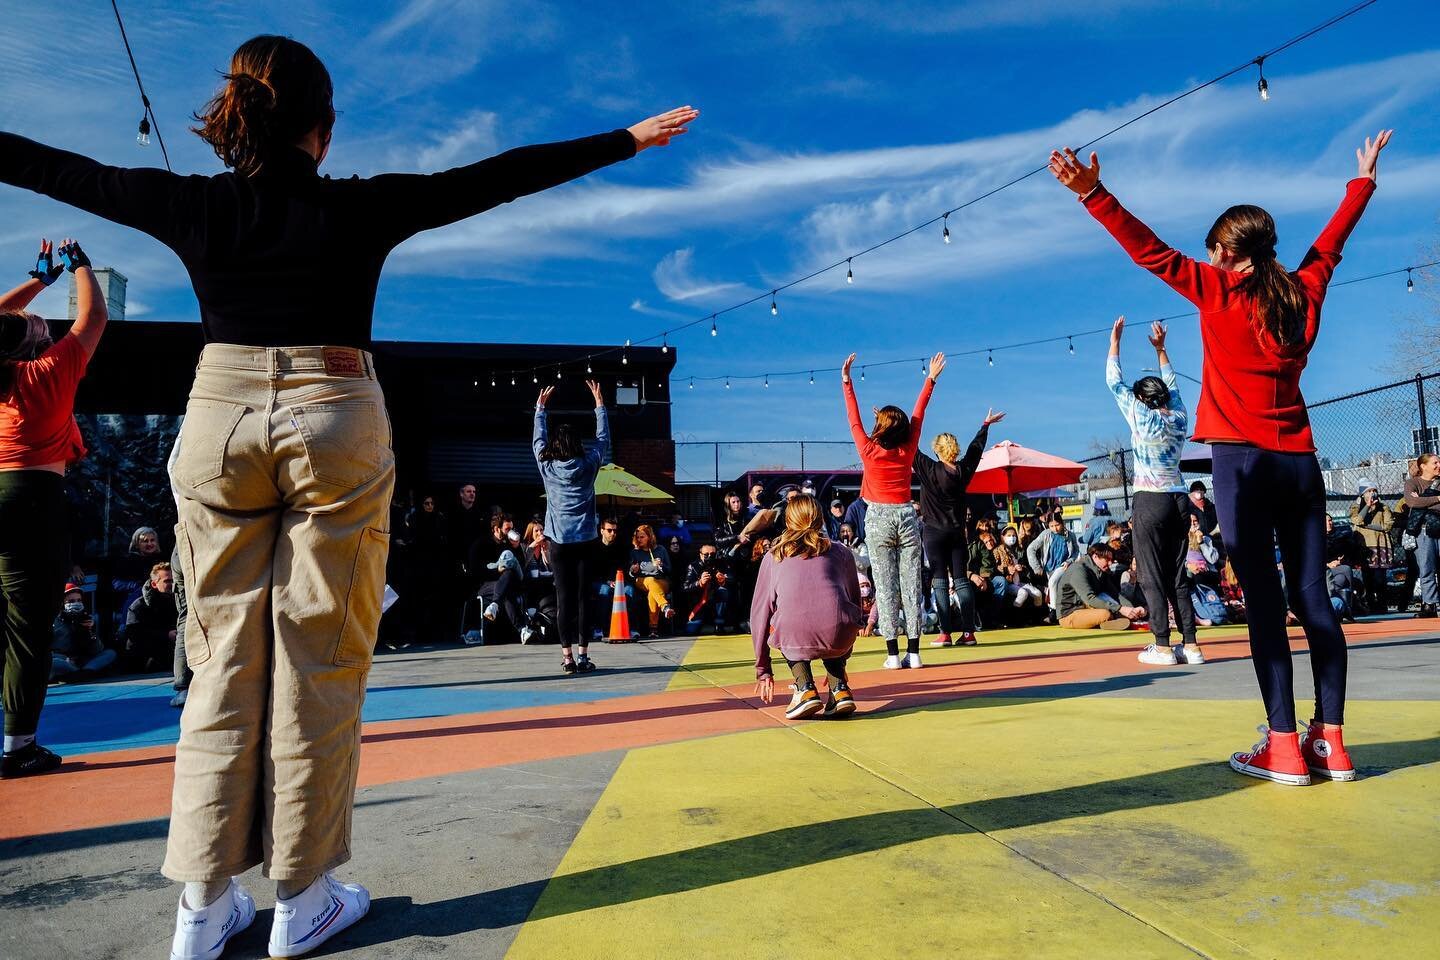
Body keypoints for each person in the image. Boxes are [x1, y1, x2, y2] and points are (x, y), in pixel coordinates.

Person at [0, 32, 699, 954]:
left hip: (218, 418)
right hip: (335, 412)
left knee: (217, 661)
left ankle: (202, 910)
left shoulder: (193, 205)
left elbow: (60, 169)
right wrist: (625, 140)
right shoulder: (359, 211)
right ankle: (303, 898)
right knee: (318, 658)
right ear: (322, 133)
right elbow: (494, 177)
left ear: (235, 121)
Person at [1050, 128, 1392, 786]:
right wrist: (1364, 182)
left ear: (1227, 254)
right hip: (1301, 464)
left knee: (1265, 604)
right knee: (1314, 600)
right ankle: (1334, 742)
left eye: (1212, 251)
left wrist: (1093, 193)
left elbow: (1150, 253)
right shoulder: (1305, 289)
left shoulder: (1219, 290)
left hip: (1241, 463)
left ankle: (1285, 745)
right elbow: (1332, 241)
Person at [0, 238, 106, 778]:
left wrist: (39, 279)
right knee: (27, 629)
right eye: (40, 324)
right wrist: (79, 267)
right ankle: (19, 747)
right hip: (30, 498)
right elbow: (93, 316)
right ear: (33, 343)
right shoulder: (47, 374)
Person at [1105, 315, 1203, 667]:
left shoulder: (1140, 415)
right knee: (1178, 576)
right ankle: (1191, 645)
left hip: (1150, 499)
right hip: (1179, 498)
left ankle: (1162, 646)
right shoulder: (1178, 416)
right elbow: (1173, 385)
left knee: (1150, 573)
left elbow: (1114, 382)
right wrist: (1162, 350)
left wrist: (1115, 343)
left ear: (1142, 399)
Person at [841, 350, 944, 669]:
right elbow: (918, 414)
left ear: (881, 427)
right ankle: (914, 653)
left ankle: (892, 654)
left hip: (879, 518)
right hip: (906, 515)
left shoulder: (869, 449)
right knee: (912, 581)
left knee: (884, 585)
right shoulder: (908, 447)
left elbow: (853, 418)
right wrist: (930, 379)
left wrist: (846, 381)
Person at [750, 495, 864, 720]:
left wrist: (763, 669)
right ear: (821, 520)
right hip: (839, 633)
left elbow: (759, 615)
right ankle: (839, 687)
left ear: (788, 521)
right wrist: (842, 654)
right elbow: (854, 603)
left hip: (794, 631)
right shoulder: (841, 552)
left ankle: (804, 688)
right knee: (832, 613)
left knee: (789, 618)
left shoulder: (775, 556)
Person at [533, 380, 608, 673]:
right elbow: (603, 440)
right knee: (583, 599)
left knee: (564, 599)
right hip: (587, 539)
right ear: (577, 445)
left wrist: (540, 409)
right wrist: (599, 405)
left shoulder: (547, 467)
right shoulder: (589, 465)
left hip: (559, 543)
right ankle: (584, 654)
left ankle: (567, 658)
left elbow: (537, 441)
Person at [913, 410, 1003, 648]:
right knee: (962, 579)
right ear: (955, 450)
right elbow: (976, 450)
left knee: (940, 581)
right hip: (956, 533)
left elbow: (911, 448)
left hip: (933, 532)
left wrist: (891, 424)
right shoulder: (963, 471)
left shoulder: (929, 469)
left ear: (937, 450)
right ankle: (969, 632)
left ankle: (945, 634)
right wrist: (984, 426)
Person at [1056, 543, 1147, 630]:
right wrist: (1120, 609)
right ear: (1095, 556)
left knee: (1123, 613)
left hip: (1087, 608)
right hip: (1069, 614)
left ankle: (1109, 621)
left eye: (1111, 560)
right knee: (1105, 614)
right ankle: (1109, 620)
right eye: (1107, 559)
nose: (1110, 563)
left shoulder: (1101, 572)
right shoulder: (1078, 570)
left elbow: (1115, 595)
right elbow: (1090, 599)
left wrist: (1131, 609)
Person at [50, 582, 117, 681]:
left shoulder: (86, 619)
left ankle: (83, 673)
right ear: (62, 603)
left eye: (79, 600)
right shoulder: (53, 621)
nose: (76, 603)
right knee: (53, 662)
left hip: (82, 662)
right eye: (71, 601)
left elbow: (97, 650)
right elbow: (47, 651)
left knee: (110, 653)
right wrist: (66, 659)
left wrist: (90, 632)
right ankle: (81, 674)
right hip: (63, 660)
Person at [121, 562, 178, 673]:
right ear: (154, 584)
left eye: (173, 580)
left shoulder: (178, 601)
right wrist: (166, 635)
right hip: (144, 656)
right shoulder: (138, 606)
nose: (172, 584)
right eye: (167, 581)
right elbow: (134, 635)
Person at [1404, 453, 1440, 619]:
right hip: (1424, 530)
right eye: (1435, 462)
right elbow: (1412, 503)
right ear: (1423, 466)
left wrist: (1424, 500)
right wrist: (1437, 498)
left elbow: (1419, 503)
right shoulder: (1413, 483)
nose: (1439, 465)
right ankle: (1429, 604)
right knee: (1426, 568)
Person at [1348, 480, 1393, 612]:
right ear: (1363, 494)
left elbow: (1388, 525)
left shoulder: (1383, 507)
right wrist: (1367, 506)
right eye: (1369, 491)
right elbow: (1356, 520)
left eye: (1374, 490)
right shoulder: (1356, 507)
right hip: (1365, 547)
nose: (1373, 493)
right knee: (1368, 577)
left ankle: (1382, 604)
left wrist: (1367, 526)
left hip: (1380, 546)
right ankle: (1371, 604)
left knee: (1380, 578)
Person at [1027, 514, 1079, 615]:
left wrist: (1069, 561)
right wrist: (1036, 567)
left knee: (1053, 582)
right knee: (1053, 588)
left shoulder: (1070, 535)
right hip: (1048, 568)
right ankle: (1055, 610)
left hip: (1063, 566)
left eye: (1057, 525)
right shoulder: (1046, 534)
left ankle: (1054, 612)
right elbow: (1031, 548)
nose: (1055, 528)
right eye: (1051, 526)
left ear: (1062, 523)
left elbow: (1076, 551)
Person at [630, 524, 674, 639]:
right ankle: (665, 606)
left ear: (649, 537)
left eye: (642, 537)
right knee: (650, 580)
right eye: (638, 537)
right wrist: (633, 570)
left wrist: (661, 565)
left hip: (661, 581)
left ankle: (653, 629)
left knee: (652, 594)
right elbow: (630, 573)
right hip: (641, 581)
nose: (639, 539)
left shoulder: (660, 550)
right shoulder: (635, 552)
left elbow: (669, 570)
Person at [681, 544, 731, 634]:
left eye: (712, 554)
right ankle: (707, 626)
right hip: (700, 604)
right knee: (691, 630)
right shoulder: (693, 566)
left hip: (715, 604)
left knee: (722, 591)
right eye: (706, 554)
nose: (709, 557)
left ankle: (718, 623)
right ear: (700, 555)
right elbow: (685, 587)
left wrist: (723, 580)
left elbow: (733, 578)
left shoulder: (721, 564)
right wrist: (699, 583)